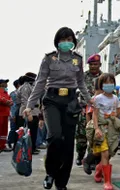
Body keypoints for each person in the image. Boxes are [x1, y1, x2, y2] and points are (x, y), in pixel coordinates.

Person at [23, 26, 92, 190]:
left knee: (68, 144)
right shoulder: (49, 59)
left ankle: (62, 183)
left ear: (74, 42)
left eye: (69, 40)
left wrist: (90, 100)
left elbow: (81, 81)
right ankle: (51, 173)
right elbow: (40, 82)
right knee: (55, 137)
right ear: (57, 42)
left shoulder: (78, 59)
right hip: (52, 100)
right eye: (63, 40)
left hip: (70, 101)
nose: (66, 43)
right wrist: (29, 106)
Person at [92, 73, 120, 190]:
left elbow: (117, 113)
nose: (109, 85)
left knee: (109, 153)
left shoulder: (115, 98)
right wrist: (96, 129)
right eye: (106, 83)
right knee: (104, 152)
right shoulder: (98, 98)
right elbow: (95, 115)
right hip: (102, 128)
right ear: (101, 85)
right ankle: (107, 182)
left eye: (111, 82)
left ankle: (99, 170)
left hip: (112, 129)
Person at [76, 53, 102, 166]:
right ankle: (80, 155)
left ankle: (91, 159)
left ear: (100, 64)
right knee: (81, 136)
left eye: (95, 64)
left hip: (98, 111)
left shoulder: (104, 77)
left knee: (94, 136)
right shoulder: (83, 76)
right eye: (91, 64)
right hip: (83, 110)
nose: (93, 66)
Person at [19, 72, 42, 155]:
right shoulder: (25, 87)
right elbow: (25, 100)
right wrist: (28, 113)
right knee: (28, 132)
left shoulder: (32, 86)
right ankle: (28, 149)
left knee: (34, 132)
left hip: (35, 111)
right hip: (28, 112)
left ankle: (33, 148)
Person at [7, 79, 20, 149]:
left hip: (18, 113)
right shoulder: (14, 94)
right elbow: (13, 106)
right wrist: (13, 115)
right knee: (13, 128)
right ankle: (9, 141)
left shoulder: (17, 92)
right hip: (14, 113)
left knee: (17, 129)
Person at [0, 79, 12, 152]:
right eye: (4, 83)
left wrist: (8, 102)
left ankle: (2, 145)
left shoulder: (6, 92)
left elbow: (11, 101)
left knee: (4, 131)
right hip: (0, 114)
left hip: (5, 114)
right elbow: (1, 99)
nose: (6, 84)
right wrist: (6, 101)